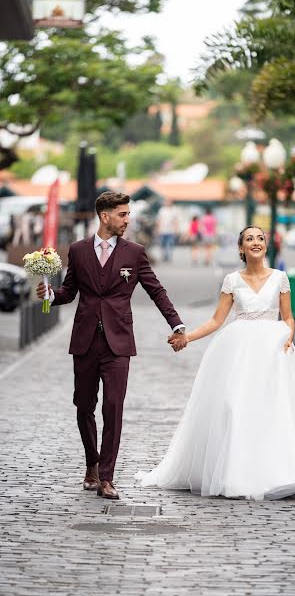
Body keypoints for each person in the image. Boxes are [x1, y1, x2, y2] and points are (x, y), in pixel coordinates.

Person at [136, 226, 295, 500]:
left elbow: (289, 317)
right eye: (250, 239)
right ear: (241, 248)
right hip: (239, 351)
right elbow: (216, 320)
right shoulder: (232, 281)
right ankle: (235, 473)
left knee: (274, 409)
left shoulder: (280, 278)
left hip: (272, 350)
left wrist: (290, 334)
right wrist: (187, 337)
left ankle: (283, 473)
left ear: (266, 246)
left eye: (260, 238)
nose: (256, 242)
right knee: (236, 406)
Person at [36, 191, 187, 500]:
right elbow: (69, 290)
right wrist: (50, 296)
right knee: (83, 406)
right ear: (105, 217)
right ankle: (91, 462)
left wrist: (177, 323)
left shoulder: (135, 252)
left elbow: (156, 290)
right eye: (122, 214)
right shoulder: (78, 251)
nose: (127, 219)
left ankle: (106, 477)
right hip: (85, 340)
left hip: (119, 342)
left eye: (128, 214)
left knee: (113, 408)